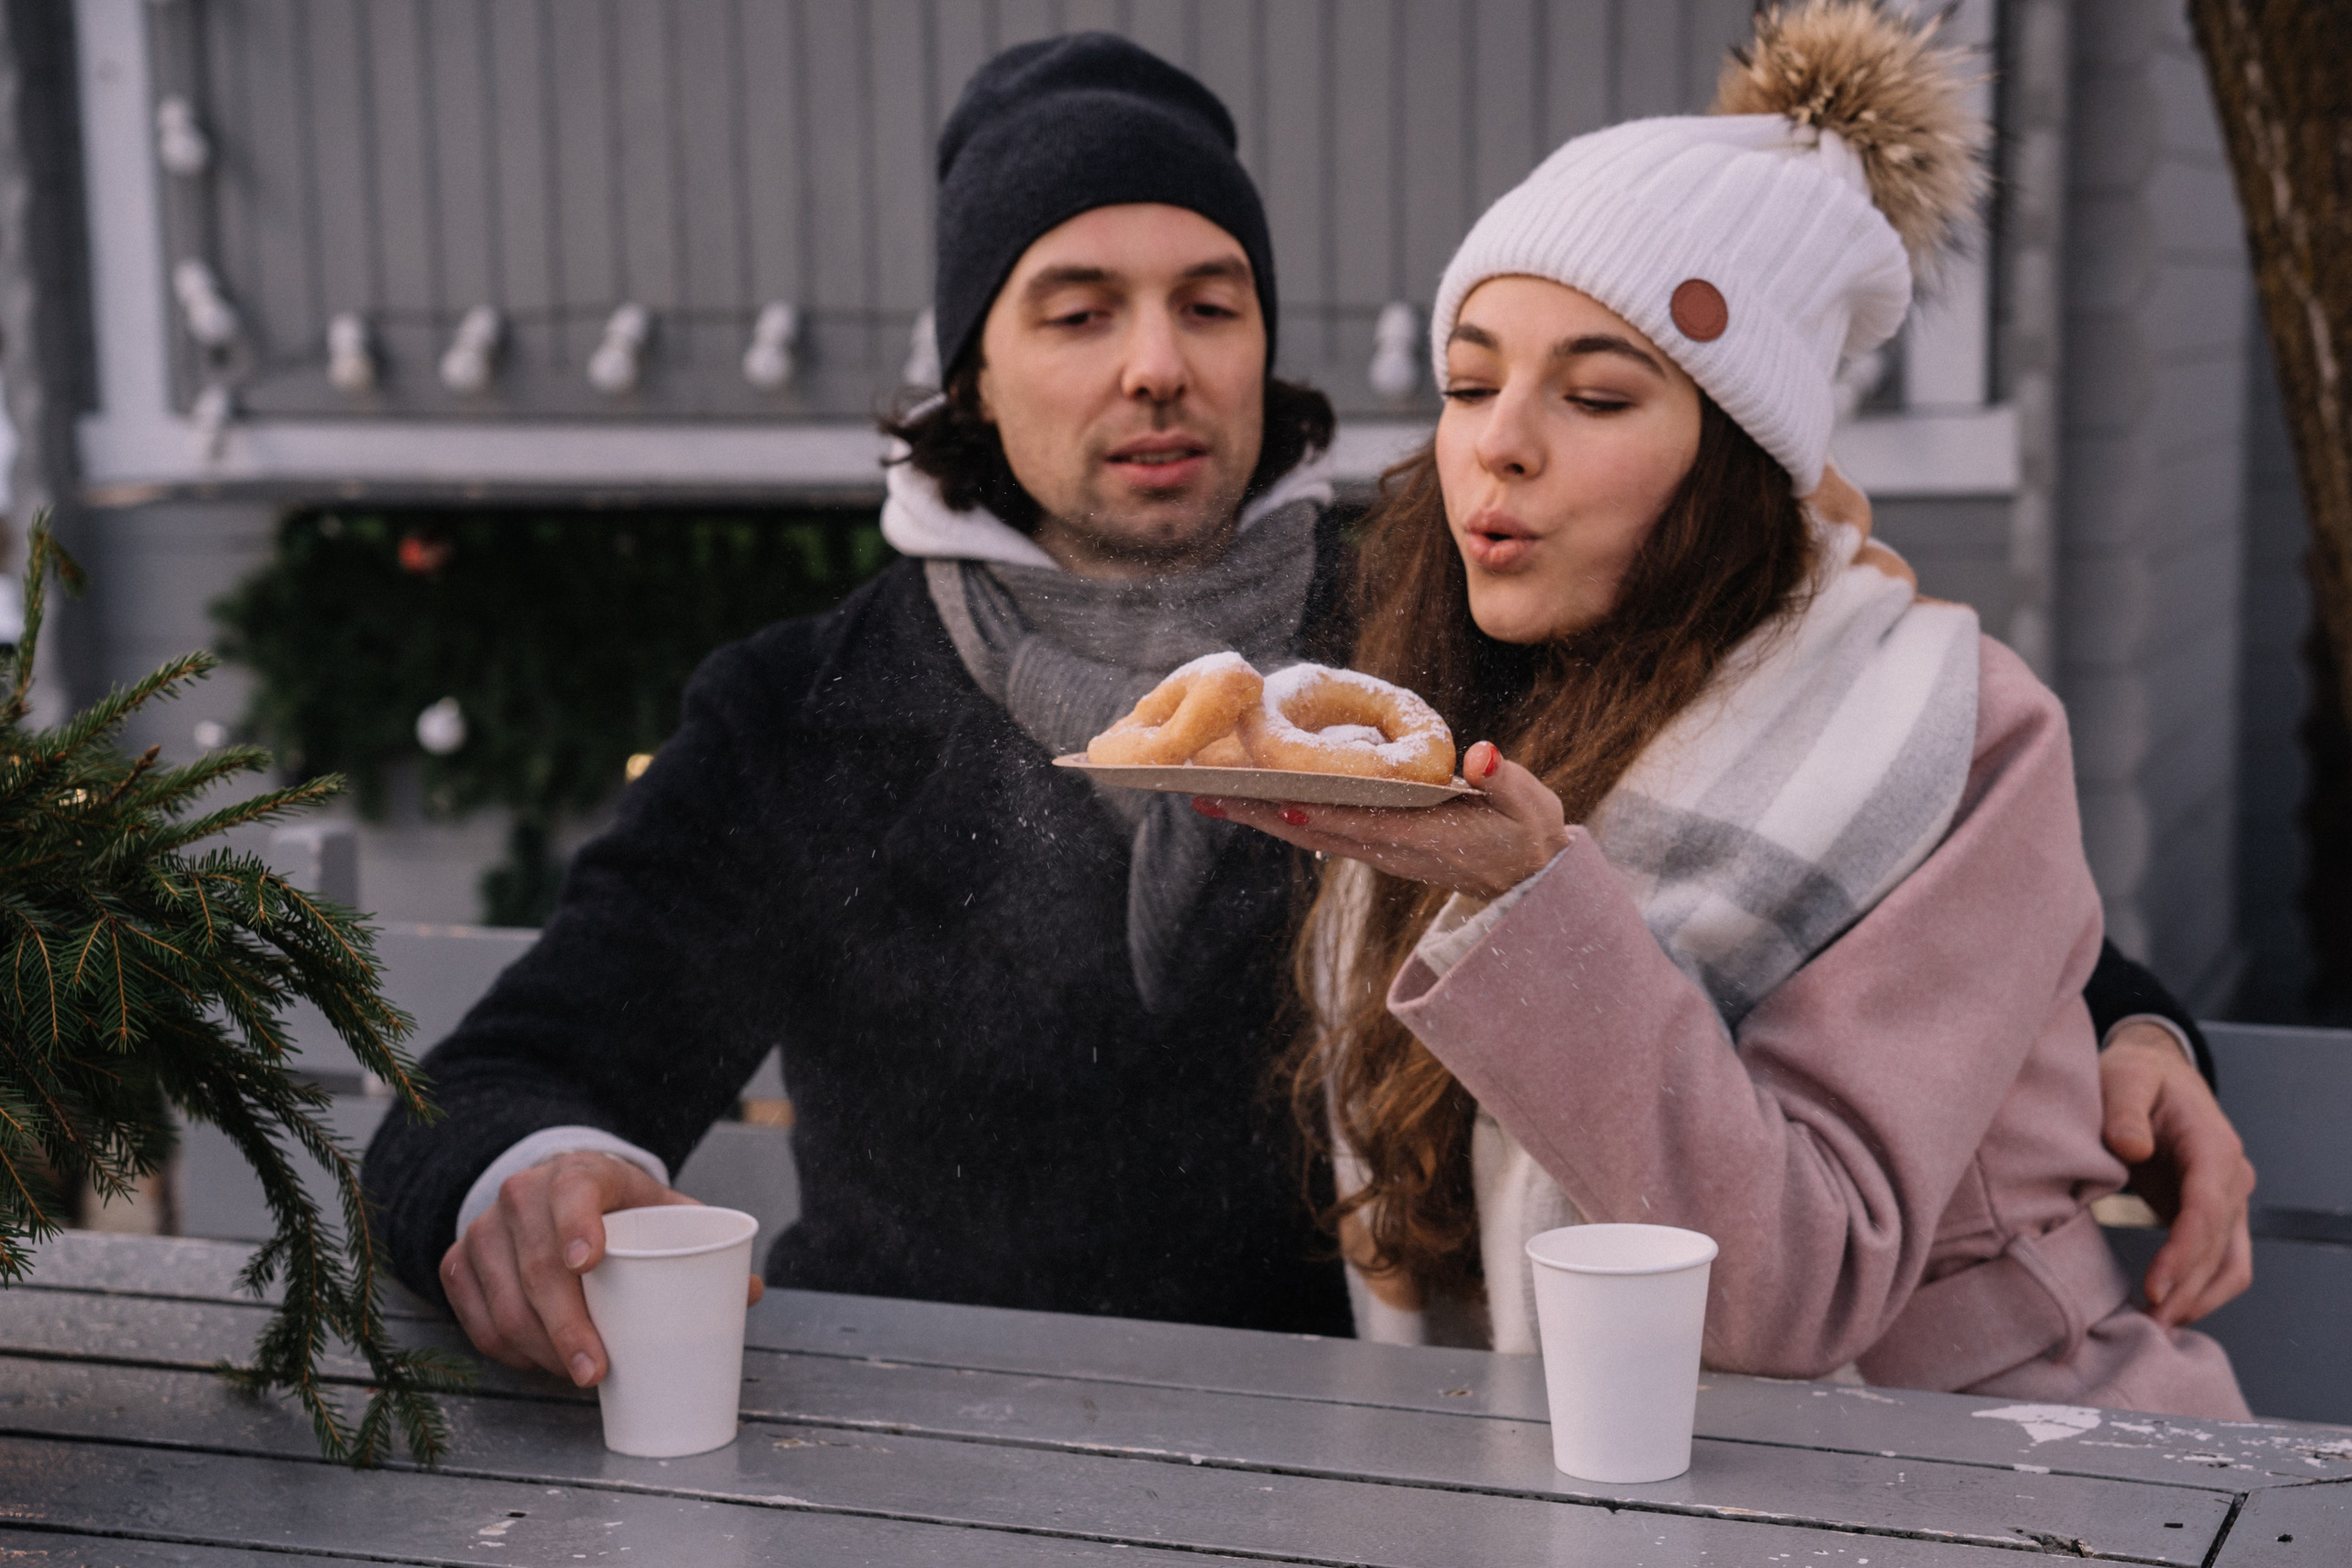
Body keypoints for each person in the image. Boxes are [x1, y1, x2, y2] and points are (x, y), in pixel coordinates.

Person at [363, 29, 2248, 1394]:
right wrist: (538, 1170)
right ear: (973, 369)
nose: (1159, 363)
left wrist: (2126, 1021)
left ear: (1268, 343)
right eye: (1075, 307)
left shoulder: (1423, 628)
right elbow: (521, 1066)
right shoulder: (804, 708)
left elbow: (1812, 816)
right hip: (929, 1446)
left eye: (1210, 297)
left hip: (1378, 1447)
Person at [1200, 3, 2247, 1415]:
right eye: (1469, 381)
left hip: (1997, 1469)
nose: (1497, 444)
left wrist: (1528, 902)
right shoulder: (1432, 694)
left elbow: (1785, 1294)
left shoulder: (1938, 722)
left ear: (1733, 459)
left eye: (1599, 395)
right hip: (1571, 1467)